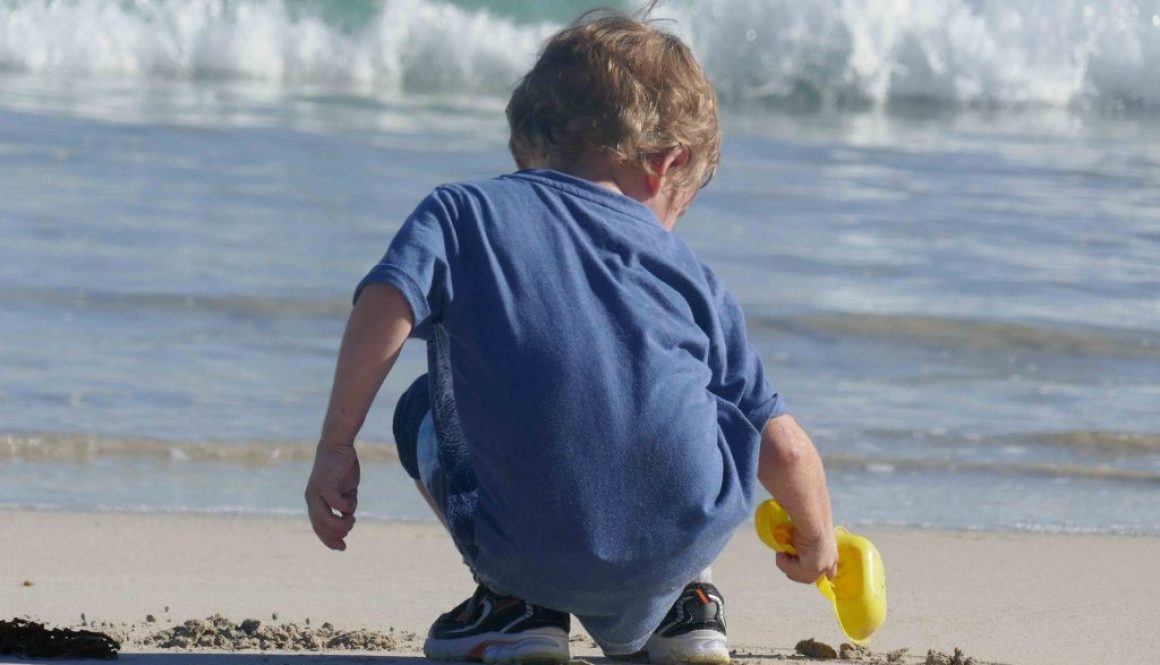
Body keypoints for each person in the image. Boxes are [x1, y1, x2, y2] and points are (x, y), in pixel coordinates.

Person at [305, 9, 838, 665]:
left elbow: (388, 298)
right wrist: (818, 541)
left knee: (419, 404)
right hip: (679, 540)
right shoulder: (697, 280)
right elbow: (784, 444)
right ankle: (683, 606)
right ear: (666, 163)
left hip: (526, 542)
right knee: (698, 407)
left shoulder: (462, 212)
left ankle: (515, 606)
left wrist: (337, 442)